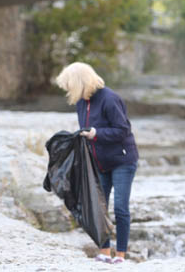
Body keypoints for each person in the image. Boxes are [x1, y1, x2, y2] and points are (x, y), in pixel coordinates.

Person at [56, 62, 139, 265]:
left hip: (122, 160)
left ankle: (120, 256)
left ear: (79, 83)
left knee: (120, 208)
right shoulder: (81, 102)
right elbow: (85, 131)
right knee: (98, 208)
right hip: (99, 162)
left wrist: (96, 133)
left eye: (69, 85)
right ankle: (104, 251)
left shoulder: (110, 99)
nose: (68, 90)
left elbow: (123, 130)